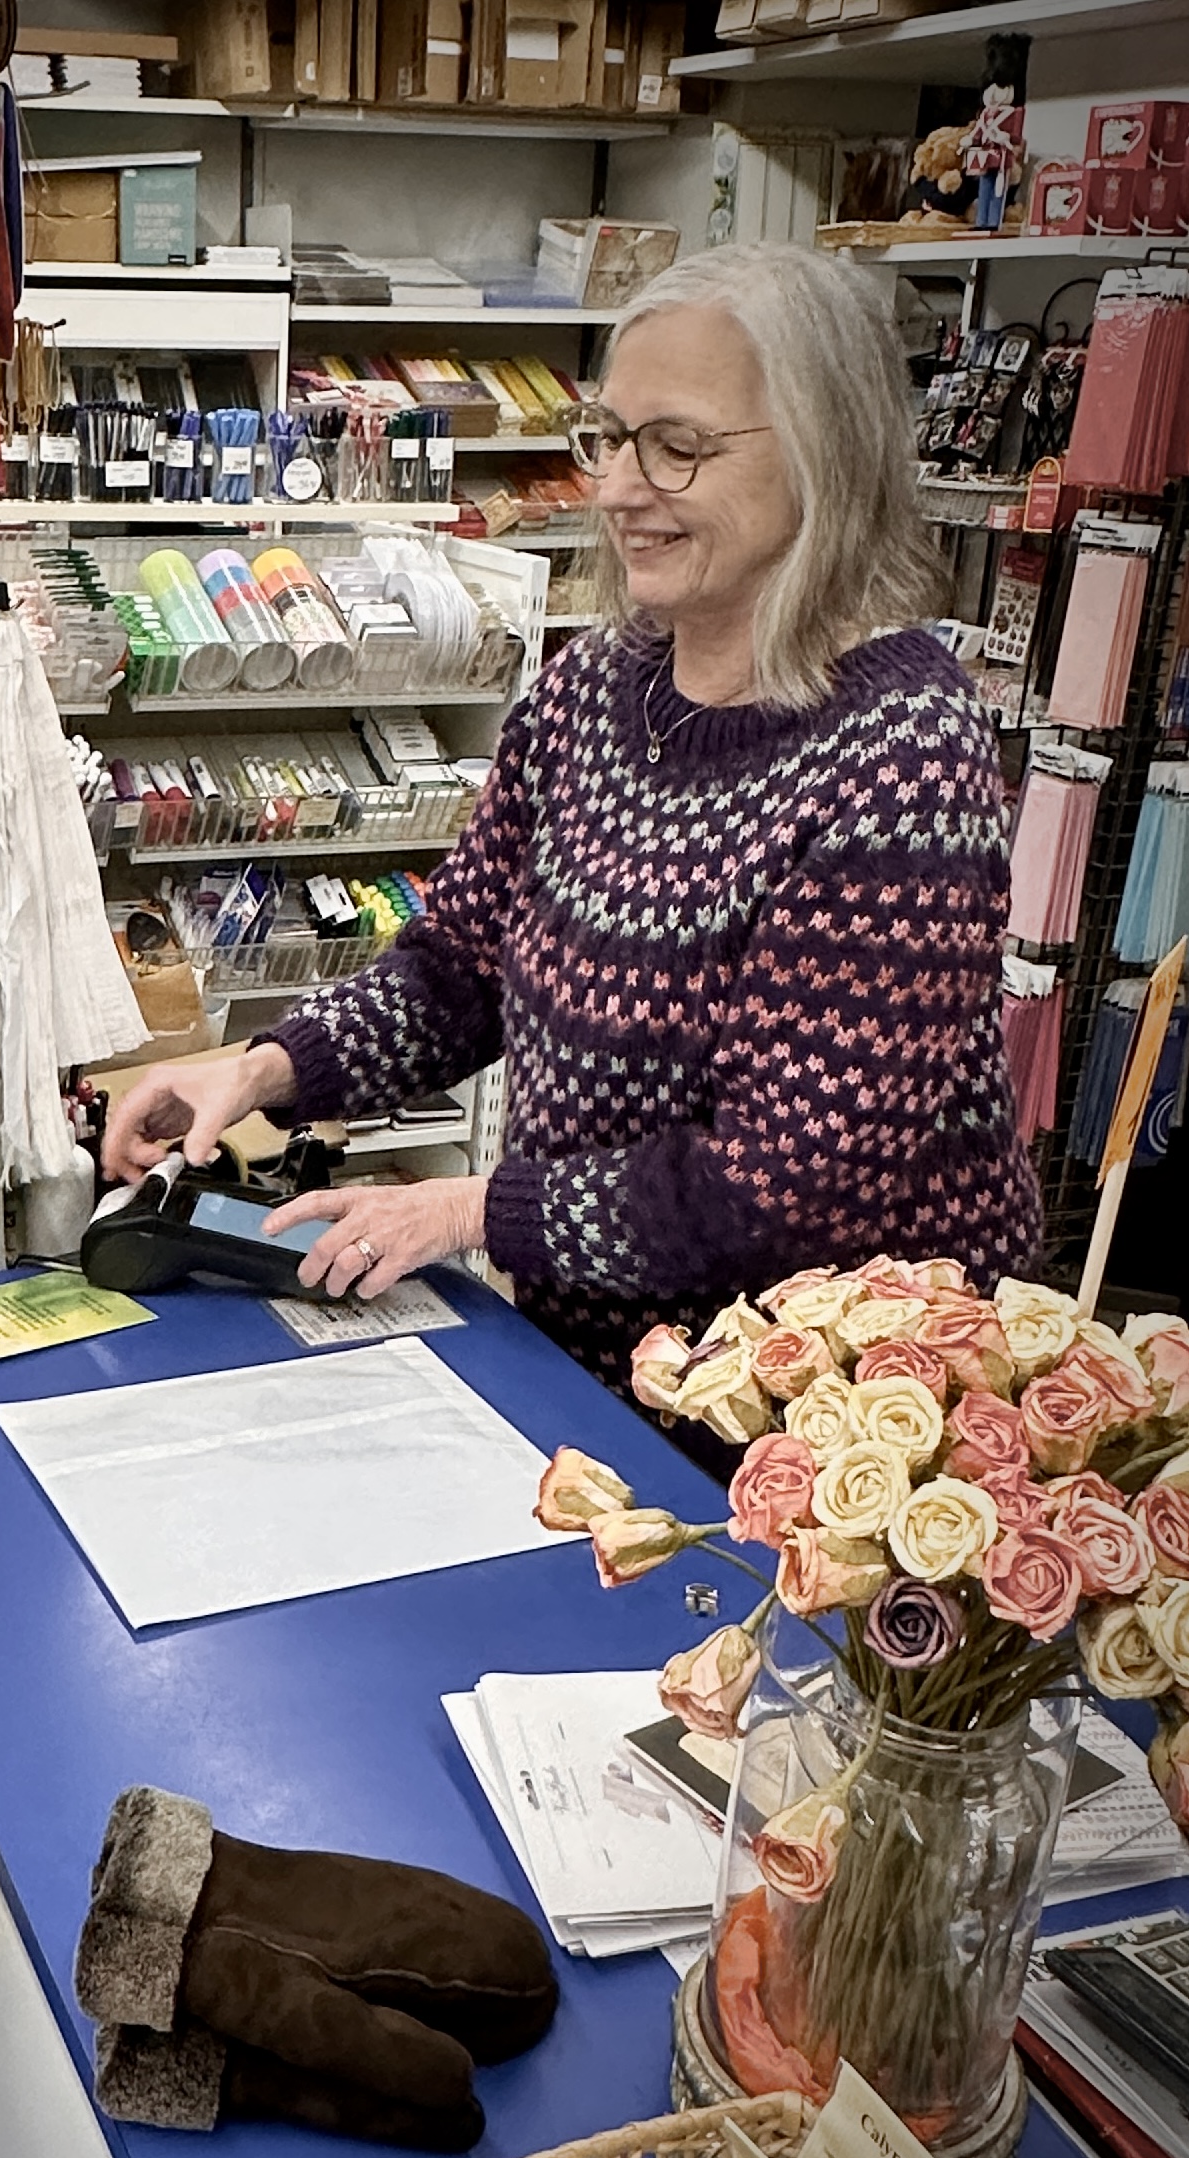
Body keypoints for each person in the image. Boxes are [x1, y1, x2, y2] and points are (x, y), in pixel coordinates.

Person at [104, 243, 1041, 1396]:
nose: (615, 489)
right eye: (608, 437)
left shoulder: (900, 757)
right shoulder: (593, 689)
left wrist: (464, 1210)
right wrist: (258, 1071)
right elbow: (455, 975)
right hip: (600, 1369)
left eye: (677, 446)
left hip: (829, 1417)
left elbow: (783, 1183)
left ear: (822, 456)